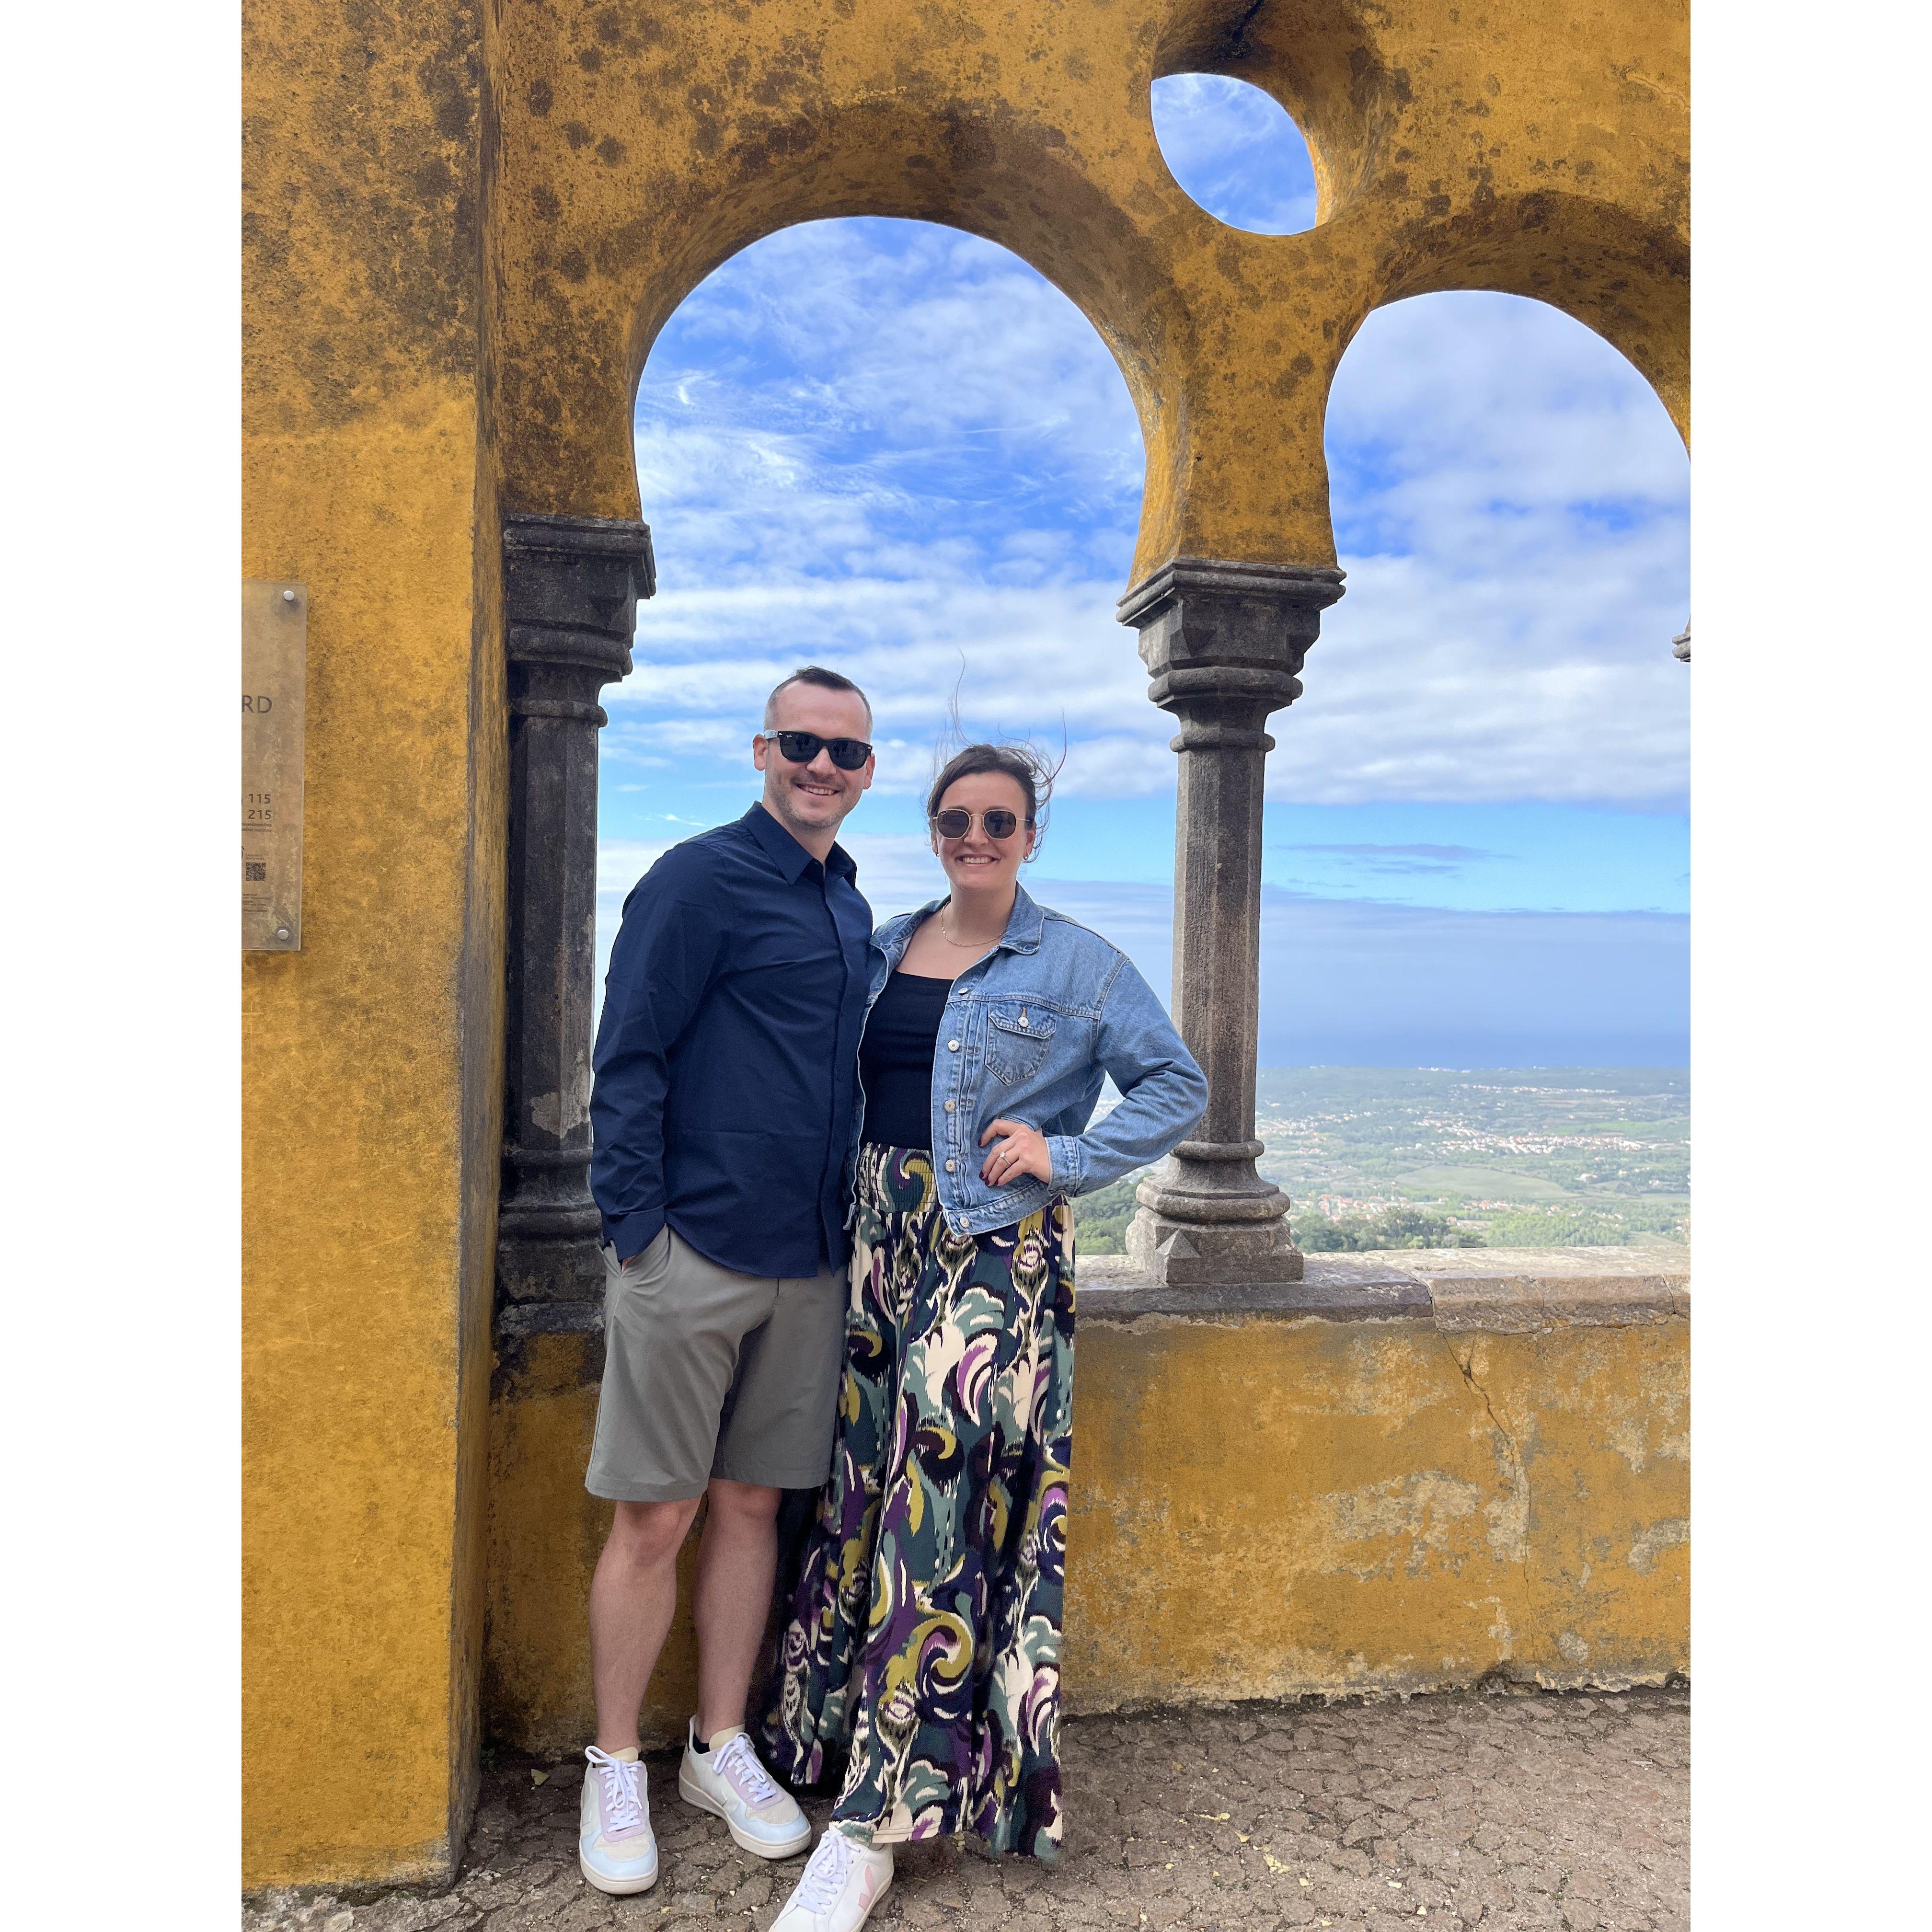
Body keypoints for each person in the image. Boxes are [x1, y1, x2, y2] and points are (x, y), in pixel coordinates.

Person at [761, 743, 1209, 1931]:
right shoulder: (885, 942)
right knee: (861, 1490)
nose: (976, 836)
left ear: (1030, 835)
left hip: (992, 1265)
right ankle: (829, 1744)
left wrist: (1068, 1156)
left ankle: (875, 1822)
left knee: (936, 1514)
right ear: (934, 825)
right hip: (877, 1244)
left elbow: (1176, 1086)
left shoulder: (1078, 961)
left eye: (999, 822)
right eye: (957, 818)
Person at [575, 665, 879, 1897]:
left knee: (753, 1507)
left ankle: (717, 1745)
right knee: (656, 1514)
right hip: (690, 1250)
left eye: (847, 753)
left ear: (868, 772)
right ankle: (612, 1760)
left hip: (807, 1259)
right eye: (802, 744)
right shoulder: (698, 879)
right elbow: (628, 1053)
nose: (822, 767)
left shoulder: (849, 902)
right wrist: (638, 1232)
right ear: (763, 749)